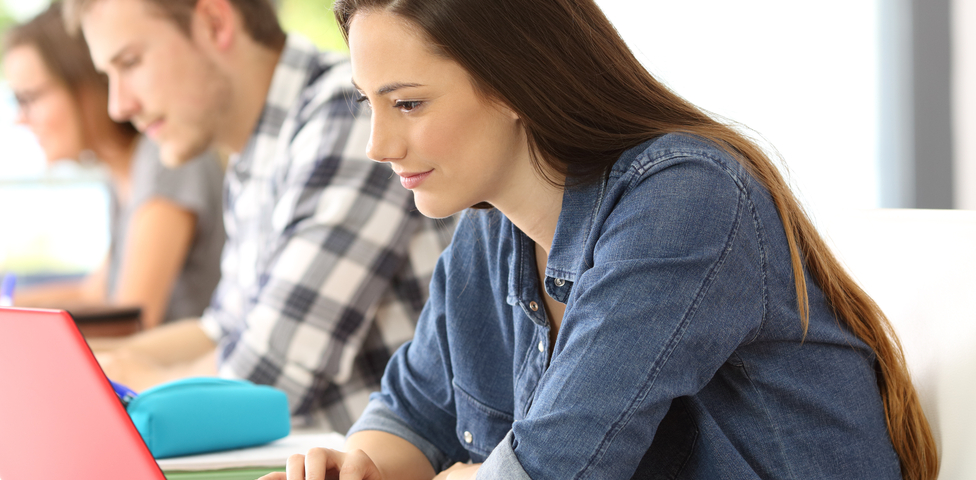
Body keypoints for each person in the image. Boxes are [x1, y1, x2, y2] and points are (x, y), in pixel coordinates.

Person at [267, 0, 940, 479]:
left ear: (512, 84)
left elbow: (560, 465)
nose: (378, 145)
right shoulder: (486, 229)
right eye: (367, 102)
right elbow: (413, 414)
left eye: (408, 103)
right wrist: (355, 467)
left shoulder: (685, 198)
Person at [62, 0, 455, 431]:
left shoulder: (348, 112)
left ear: (214, 23)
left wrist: (130, 381)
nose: (118, 105)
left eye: (131, 63)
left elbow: (266, 381)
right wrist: (90, 361)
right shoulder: (256, 153)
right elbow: (222, 329)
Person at [0, 3, 226, 330]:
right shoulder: (123, 174)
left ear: (85, 86)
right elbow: (91, 292)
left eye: (29, 98)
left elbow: (127, 322)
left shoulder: (165, 159)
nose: (21, 118)